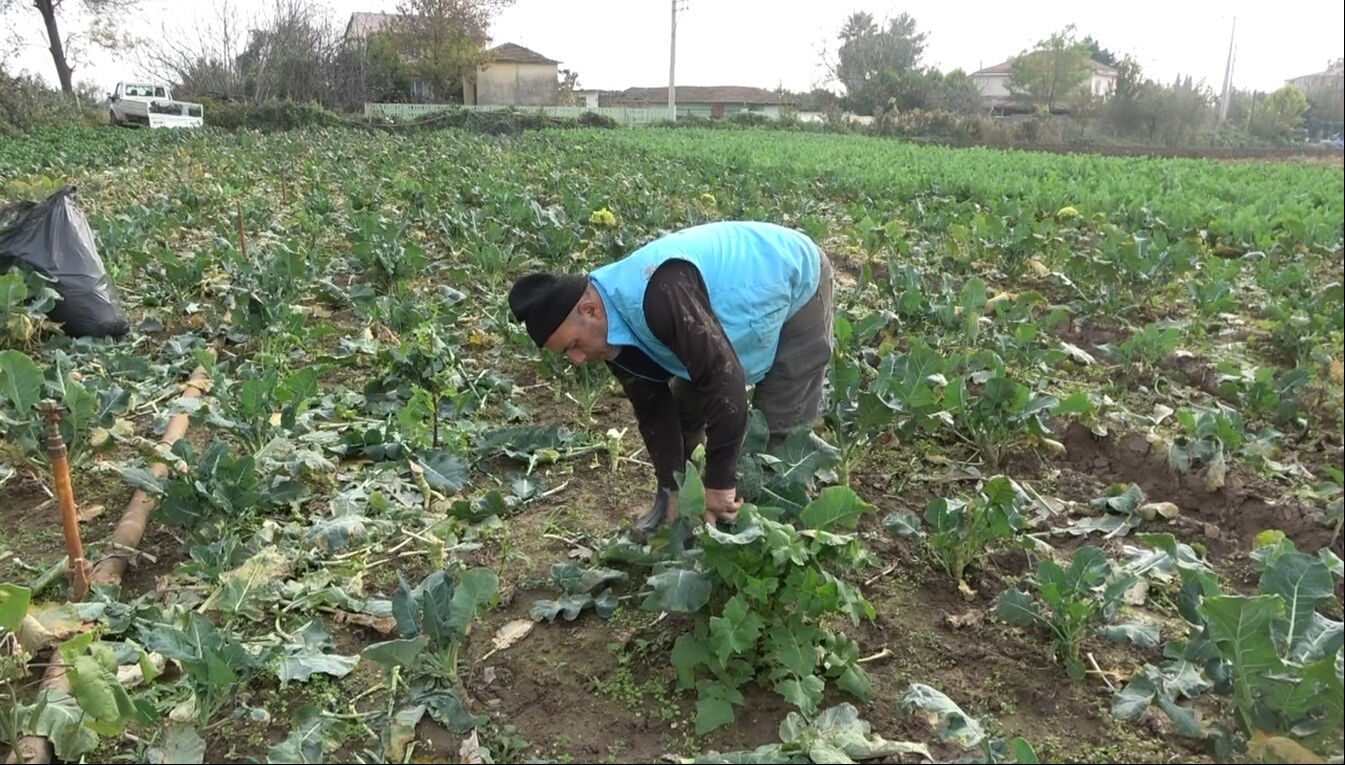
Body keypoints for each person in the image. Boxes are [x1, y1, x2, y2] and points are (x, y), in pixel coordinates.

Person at [507, 220, 835, 536]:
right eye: (567, 354)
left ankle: (778, 530)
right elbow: (653, 409)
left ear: (590, 310)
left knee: (779, 434)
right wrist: (671, 492)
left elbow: (723, 379)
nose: (578, 359)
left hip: (792, 277)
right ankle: (681, 507)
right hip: (711, 319)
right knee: (684, 413)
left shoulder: (660, 292)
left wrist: (719, 482)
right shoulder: (609, 328)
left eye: (574, 346)